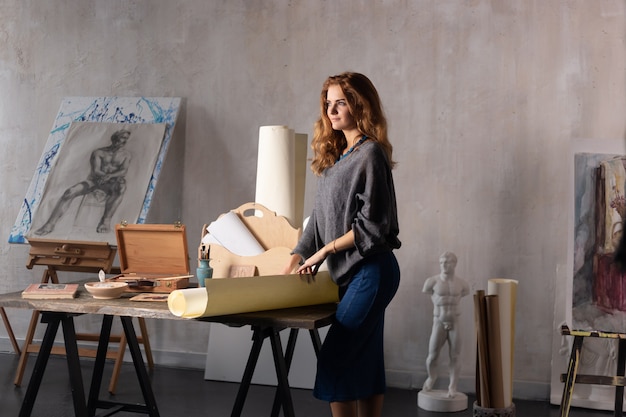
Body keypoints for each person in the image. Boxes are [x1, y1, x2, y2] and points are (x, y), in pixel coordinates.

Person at [282, 72, 401, 417]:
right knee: (365, 362)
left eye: (341, 102)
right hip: (352, 275)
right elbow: (318, 218)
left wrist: (323, 251)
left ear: (359, 104)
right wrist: (296, 255)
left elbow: (374, 227)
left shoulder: (371, 154)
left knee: (335, 360)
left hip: (373, 271)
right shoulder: (337, 157)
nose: (332, 111)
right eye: (328, 103)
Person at [35, 128, 132, 235]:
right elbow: (96, 170)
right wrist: (105, 176)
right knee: (70, 192)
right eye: (122, 138)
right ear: (114, 138)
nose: (123, 141)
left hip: (112, 183)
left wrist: (110, 176)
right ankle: (50, 224)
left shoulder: (126, 155)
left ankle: (105, 220)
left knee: (122, 187)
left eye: (126, 139)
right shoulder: (99, 152)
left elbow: (123, 171)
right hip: (95, 182)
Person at [421, 251, 469, 398]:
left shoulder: (462, 284)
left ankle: (452, 386)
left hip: (455, 321)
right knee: (432, 355)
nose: (444, 265)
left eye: (447, 263)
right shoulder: (432, 282)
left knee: (455, 356)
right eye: (441, 262)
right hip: (439, 321)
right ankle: (431, 377)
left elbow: (466, 292)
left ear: (454, 264)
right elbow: (427, 292)